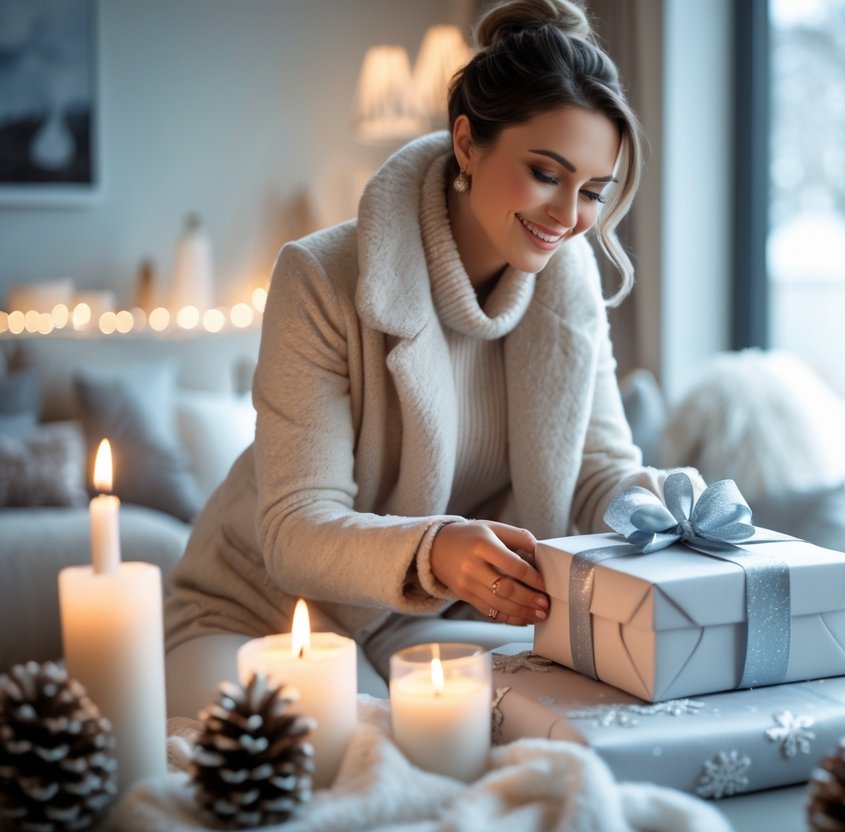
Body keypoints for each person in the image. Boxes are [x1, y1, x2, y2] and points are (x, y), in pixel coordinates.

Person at [163, 0, 693, 718]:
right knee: (360, 751)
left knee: (582, 719)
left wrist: (668, 507)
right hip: (256, 614)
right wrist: (437, 550)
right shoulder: (321, 276)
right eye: (545, 173)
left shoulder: (567, 285)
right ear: (468, 145)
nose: (568, 217)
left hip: (415, 621)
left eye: (593, 191)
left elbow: (595, 472)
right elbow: (295, 527)